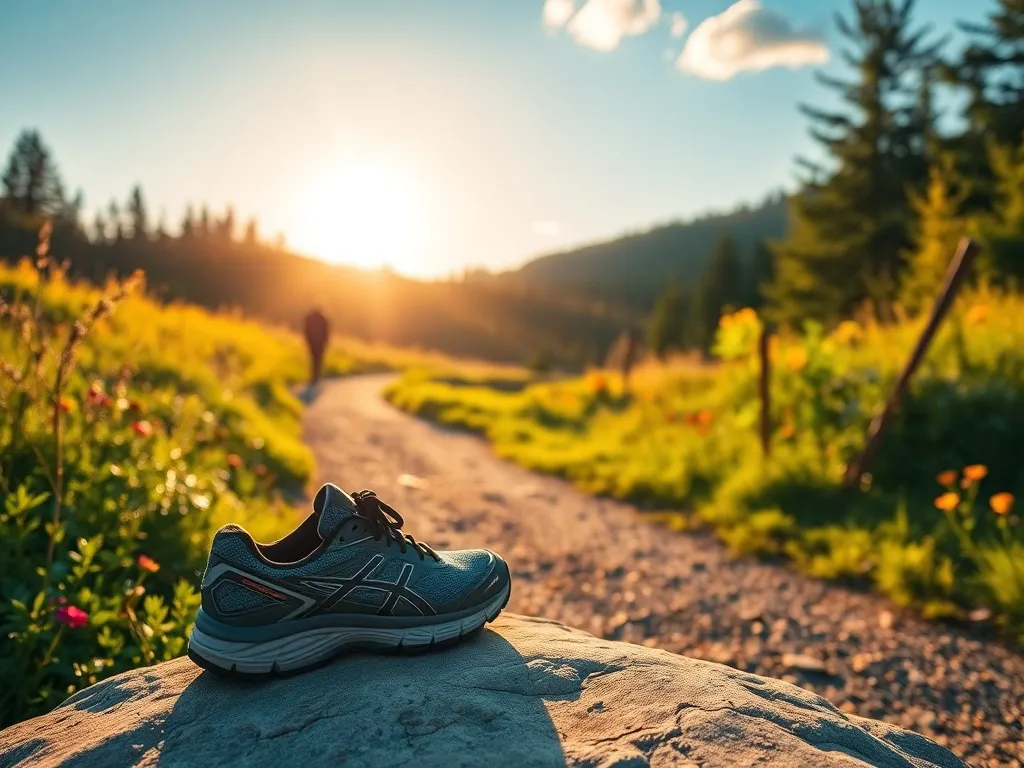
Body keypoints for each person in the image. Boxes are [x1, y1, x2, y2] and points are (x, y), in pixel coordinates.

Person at [302, 306, 329, 386]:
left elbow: (306, 329)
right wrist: (326, 341)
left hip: (312, 341)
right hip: (320, 342)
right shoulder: (323, 318)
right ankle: (317, 376)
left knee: (312, 359)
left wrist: (307, 339)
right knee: (319, 359)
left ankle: (313, 376)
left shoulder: (309, 318)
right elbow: (326, 332)